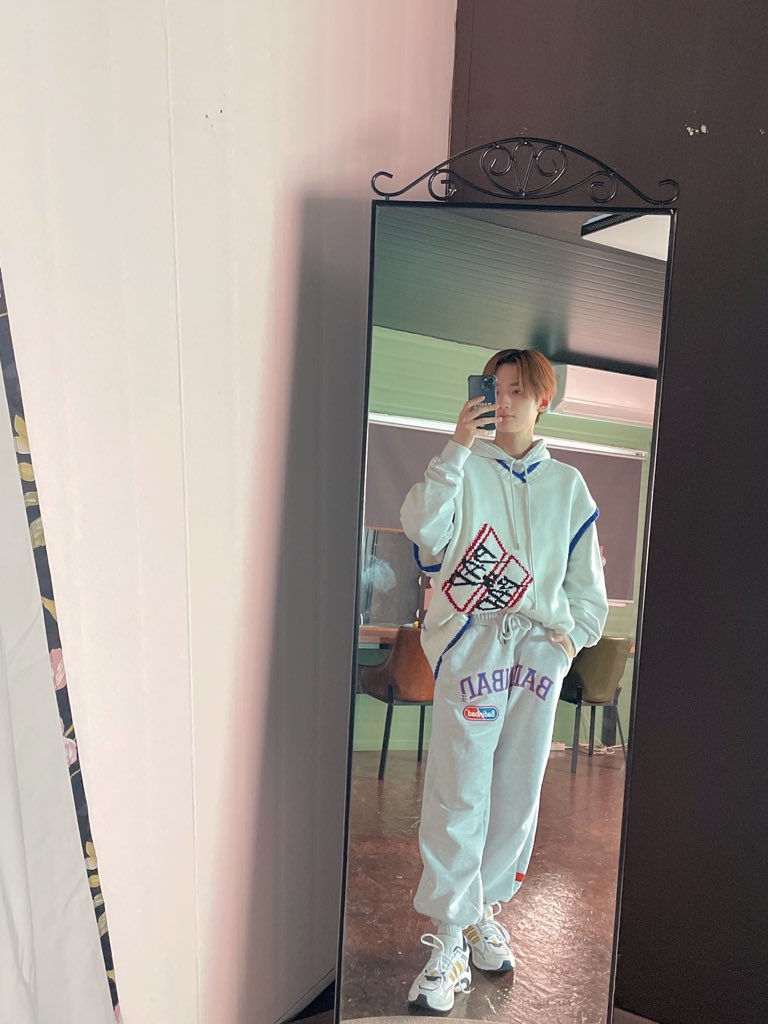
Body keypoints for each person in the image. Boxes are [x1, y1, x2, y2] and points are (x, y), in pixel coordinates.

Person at [400, 348, 609, 1014]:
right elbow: (425, 536)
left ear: (544, 401)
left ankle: (481, 912)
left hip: (538, 657)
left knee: (517, 791)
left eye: (520, 390)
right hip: (475, 648)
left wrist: (566, 642)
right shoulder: (463, 468)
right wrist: (457, 447)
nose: (507, 400)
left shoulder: (568, 486)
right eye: (496, 388)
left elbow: (587, 589)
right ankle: (448, 937)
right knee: (459, 788)